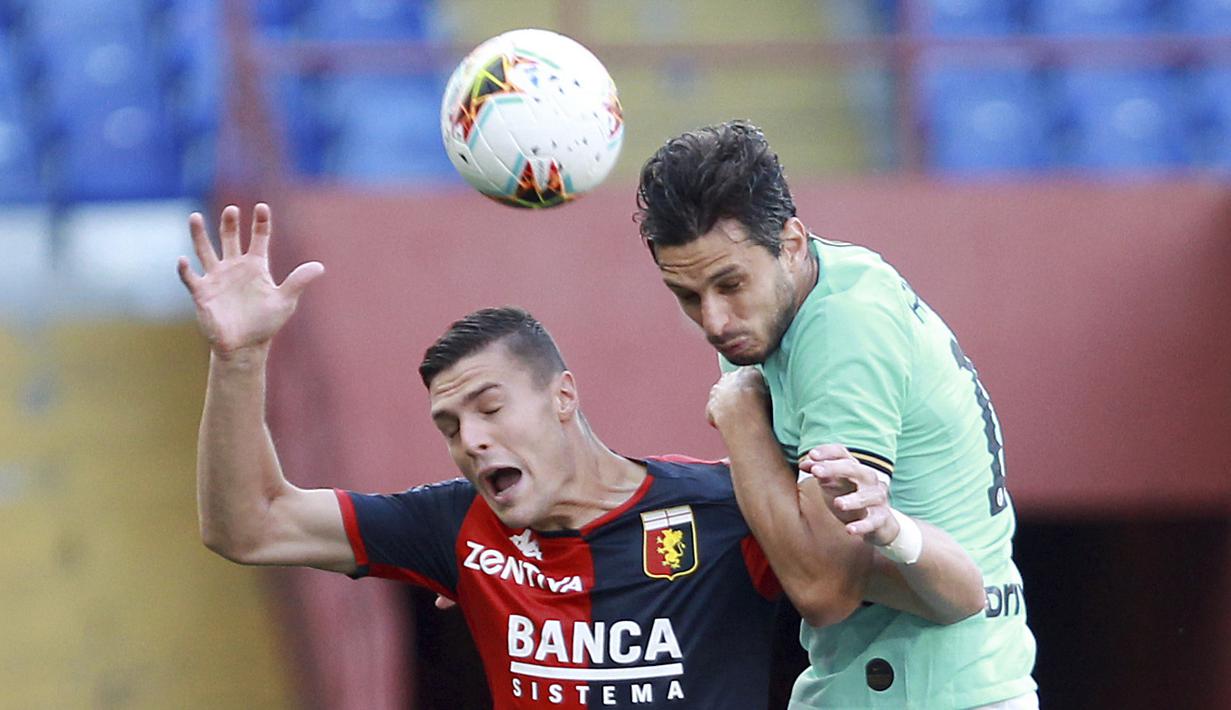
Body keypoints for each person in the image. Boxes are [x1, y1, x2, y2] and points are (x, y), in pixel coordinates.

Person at [177, 204, 984, 709]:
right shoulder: (453, 528)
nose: (472, 439)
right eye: (450, 426)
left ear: (563, 396)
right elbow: (249, 526)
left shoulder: (722, 511)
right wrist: (241, 357)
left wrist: (898, 535)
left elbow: (945, 596)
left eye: (490, 407)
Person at [636, 120, 1038, 709]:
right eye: (688, 296)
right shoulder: (790, 304)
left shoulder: (841, 330)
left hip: (926, 691)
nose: (715, 320)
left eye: (730, 284)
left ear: (791, 242)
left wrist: (742, 422)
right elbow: (776, 515)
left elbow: (826, 588)